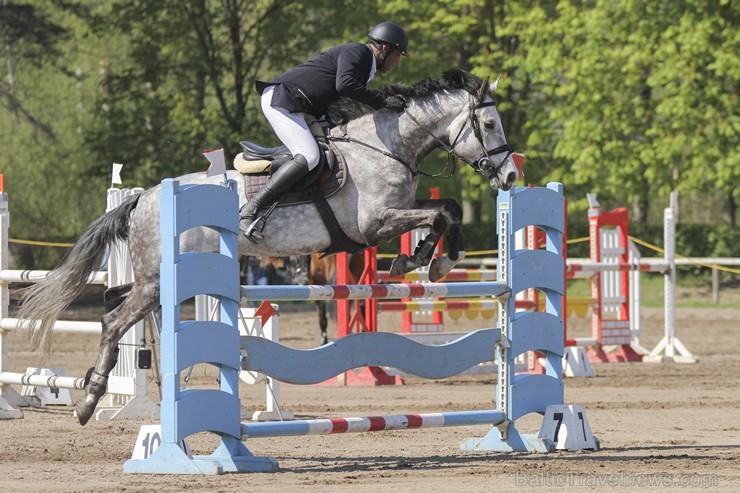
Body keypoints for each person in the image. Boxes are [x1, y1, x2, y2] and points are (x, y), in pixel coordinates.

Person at [240, 21, 409, 242]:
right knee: (309, 156)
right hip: (283, 101)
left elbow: (339, 97)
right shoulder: (359, 52)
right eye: (397, 54)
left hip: (302, 108)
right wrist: (382, 100)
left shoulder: (365, 67)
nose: (396, 62)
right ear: (385, 48)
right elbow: (344, 84)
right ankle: (249, 210)